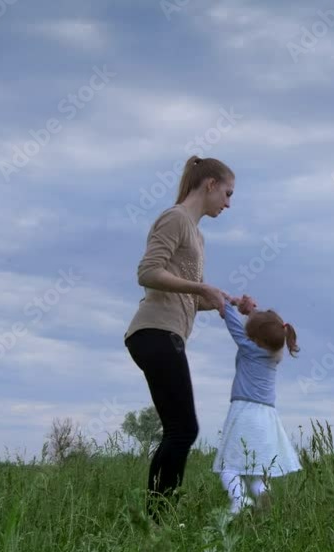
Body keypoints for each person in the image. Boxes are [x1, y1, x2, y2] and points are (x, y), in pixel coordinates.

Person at [124, 155, 235, 518]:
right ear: (210, 185)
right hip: (154, 331)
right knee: (183, 429)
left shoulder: (197, 234)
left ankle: (158, 519)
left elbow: (185, 295)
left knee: (180, 428)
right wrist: (203, 286)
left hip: (166, 333)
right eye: (228, 193)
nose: (228, 203)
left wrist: (226, 302)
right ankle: (158, 521)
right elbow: (148, 272)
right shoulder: (175, 219)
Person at [214, 294, 302, 516]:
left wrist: (225, 301)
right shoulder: (276, 353)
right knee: (256, 469)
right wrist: (252, 310)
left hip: (244, 413)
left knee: (228, 467)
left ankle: (240, 500)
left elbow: (233, 323)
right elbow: (265, 328)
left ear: (253, 338)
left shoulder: (248, 348)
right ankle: (262, 491)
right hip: (267, 418)